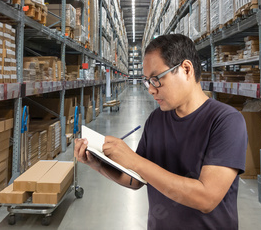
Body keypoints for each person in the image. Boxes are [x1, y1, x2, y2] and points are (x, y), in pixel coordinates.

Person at [74, 34, 248, 229]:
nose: (150, 89)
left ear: (186, 69)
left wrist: (135, 161)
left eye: (156, 79)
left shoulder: (225, 121)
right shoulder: (156, 120)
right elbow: (135, 179)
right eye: (147, 81)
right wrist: (99, 164)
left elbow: (206, 198)